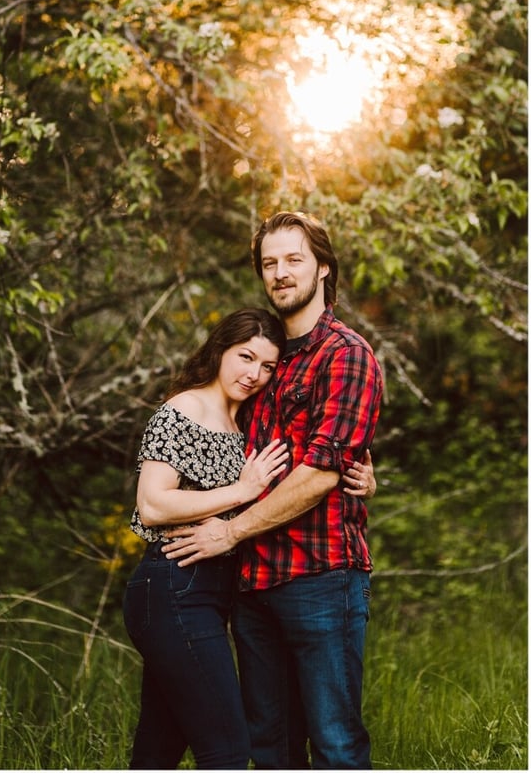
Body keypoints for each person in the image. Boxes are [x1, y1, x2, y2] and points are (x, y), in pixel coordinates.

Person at [163, 211, 383, 770]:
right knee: (271, 748)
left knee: (335, 744)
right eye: (269, 263)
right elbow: (211, 435)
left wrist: (229, 532)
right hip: (251, 583)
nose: (280, 273)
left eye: (294, 260)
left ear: (323, 268)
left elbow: (321, 472)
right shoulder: (262, 357)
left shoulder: (346, 354)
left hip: (320, 578)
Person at [123, 306, 375, 770]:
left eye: (267, 366)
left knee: (159, 746)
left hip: (216, 590)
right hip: (174, 583)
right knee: (227, 749)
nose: (254, 374)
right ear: (220, 350)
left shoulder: (248, 417)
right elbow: (152, 505)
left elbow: (320, 446)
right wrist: (241, 491)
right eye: (245, 357)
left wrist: (360, 473)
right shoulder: (184, 409)